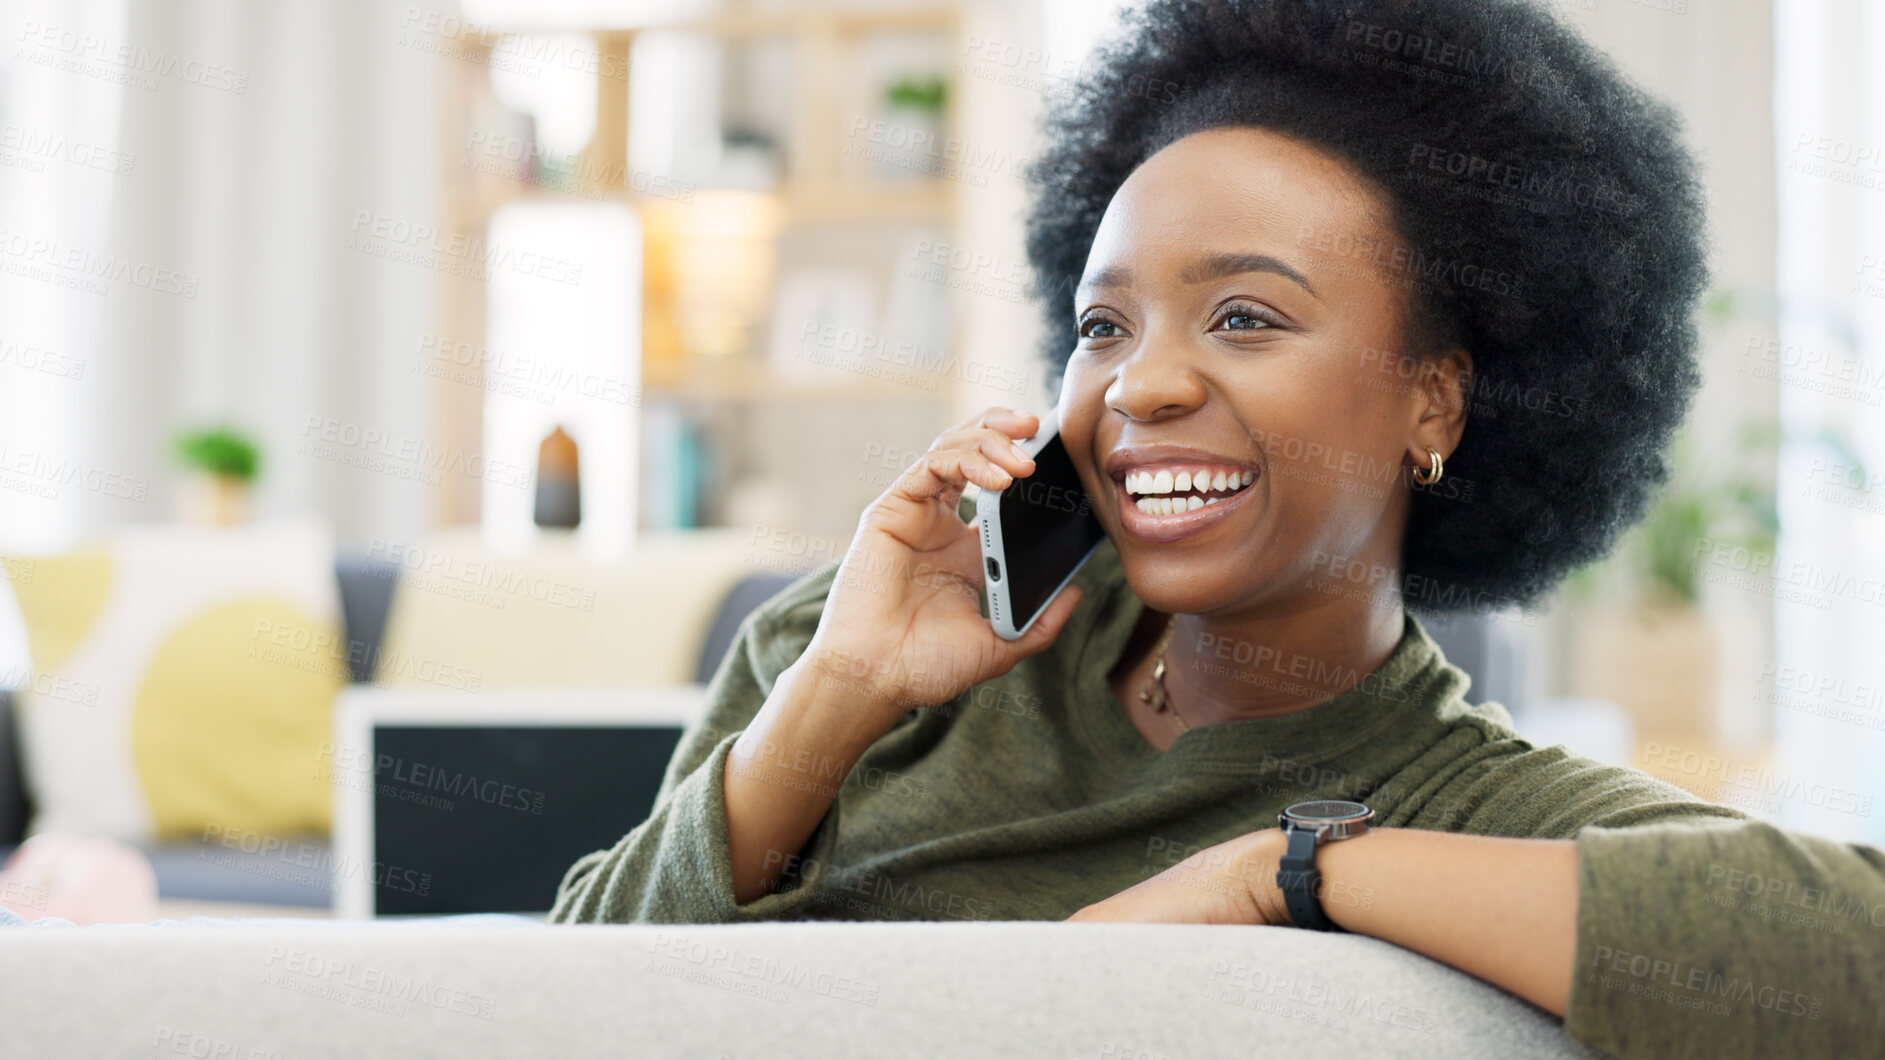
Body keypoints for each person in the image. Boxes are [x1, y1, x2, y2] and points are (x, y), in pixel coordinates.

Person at [552, 1, 1884, 1054]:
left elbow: (1857, 960)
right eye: (1101, 326)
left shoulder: (1463, 807)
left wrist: (1287, 874)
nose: (1142, 384)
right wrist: (834, 697)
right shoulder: (863, 649)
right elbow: (555, 1009)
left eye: (1245, 316)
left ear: (1434, 399)